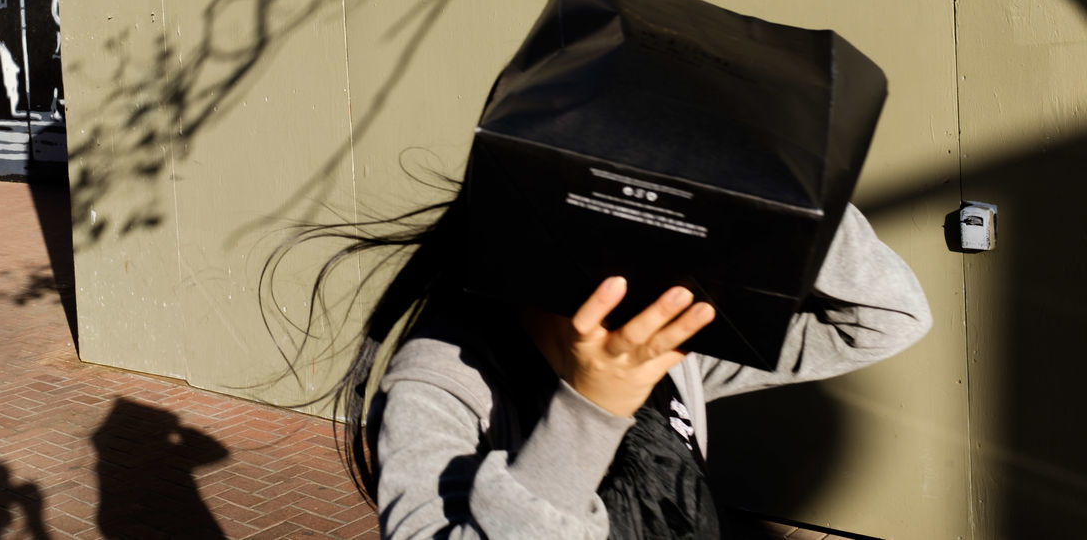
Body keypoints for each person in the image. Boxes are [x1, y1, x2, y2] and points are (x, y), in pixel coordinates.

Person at [277, 187, 931, 540]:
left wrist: (782, 185)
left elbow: (885, 319)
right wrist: (592, 409)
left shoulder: (664, 349)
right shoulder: (444, 376)